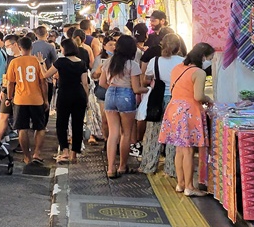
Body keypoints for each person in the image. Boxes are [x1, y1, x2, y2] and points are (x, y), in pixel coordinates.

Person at [159, 42, 215, 197]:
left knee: (180, 149)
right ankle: (190, 187)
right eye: (210, 58)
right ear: (203, 57)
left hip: (174, 108)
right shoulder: (199, 72)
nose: (209, 61)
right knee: (189, 150)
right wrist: (208, 98)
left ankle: (180, 183)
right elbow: (198, 96)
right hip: (189, 111)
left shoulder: (177, 68)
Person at [100, 34, 145, 178]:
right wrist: (148, 90)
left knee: (113, 134)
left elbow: (101, 83)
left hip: (110, 94)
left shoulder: (108, 62)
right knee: (125, 133)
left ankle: (110, 169)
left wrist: (113, 89)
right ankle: (122, 166)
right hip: (126, 96)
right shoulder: (133, 65)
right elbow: (137, 89)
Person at [139, 34, 185, 175]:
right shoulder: (183, 61)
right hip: (176, 100)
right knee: (173, 135)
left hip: (157, 100)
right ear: (178, 47)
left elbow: (147, 79)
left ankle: (148, 166)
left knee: (153, 133)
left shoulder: (155, 61)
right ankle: (172, 169)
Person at [6, 37, 48, 166]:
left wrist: (9, 97)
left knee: (22, 129)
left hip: (20, 99)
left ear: (19, 48)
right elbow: (44, 82)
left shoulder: (14, 62)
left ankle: (27, 156)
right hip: (37, 99)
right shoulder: (37, 61)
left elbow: (10, 83)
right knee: (40, 127)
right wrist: (46, 99)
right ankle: (37, 153)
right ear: (31, 47)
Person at [47, 39, 89, 164]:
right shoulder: (81, 63)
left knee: (61, 123)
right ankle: (74, 154)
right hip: (79, 95)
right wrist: (86, 99)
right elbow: (85, 84)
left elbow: (45, 75)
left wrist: (40, 63)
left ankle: (64, 151)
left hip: (65, 95)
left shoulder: (61, 62)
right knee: (78, 124)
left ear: (65, 49)